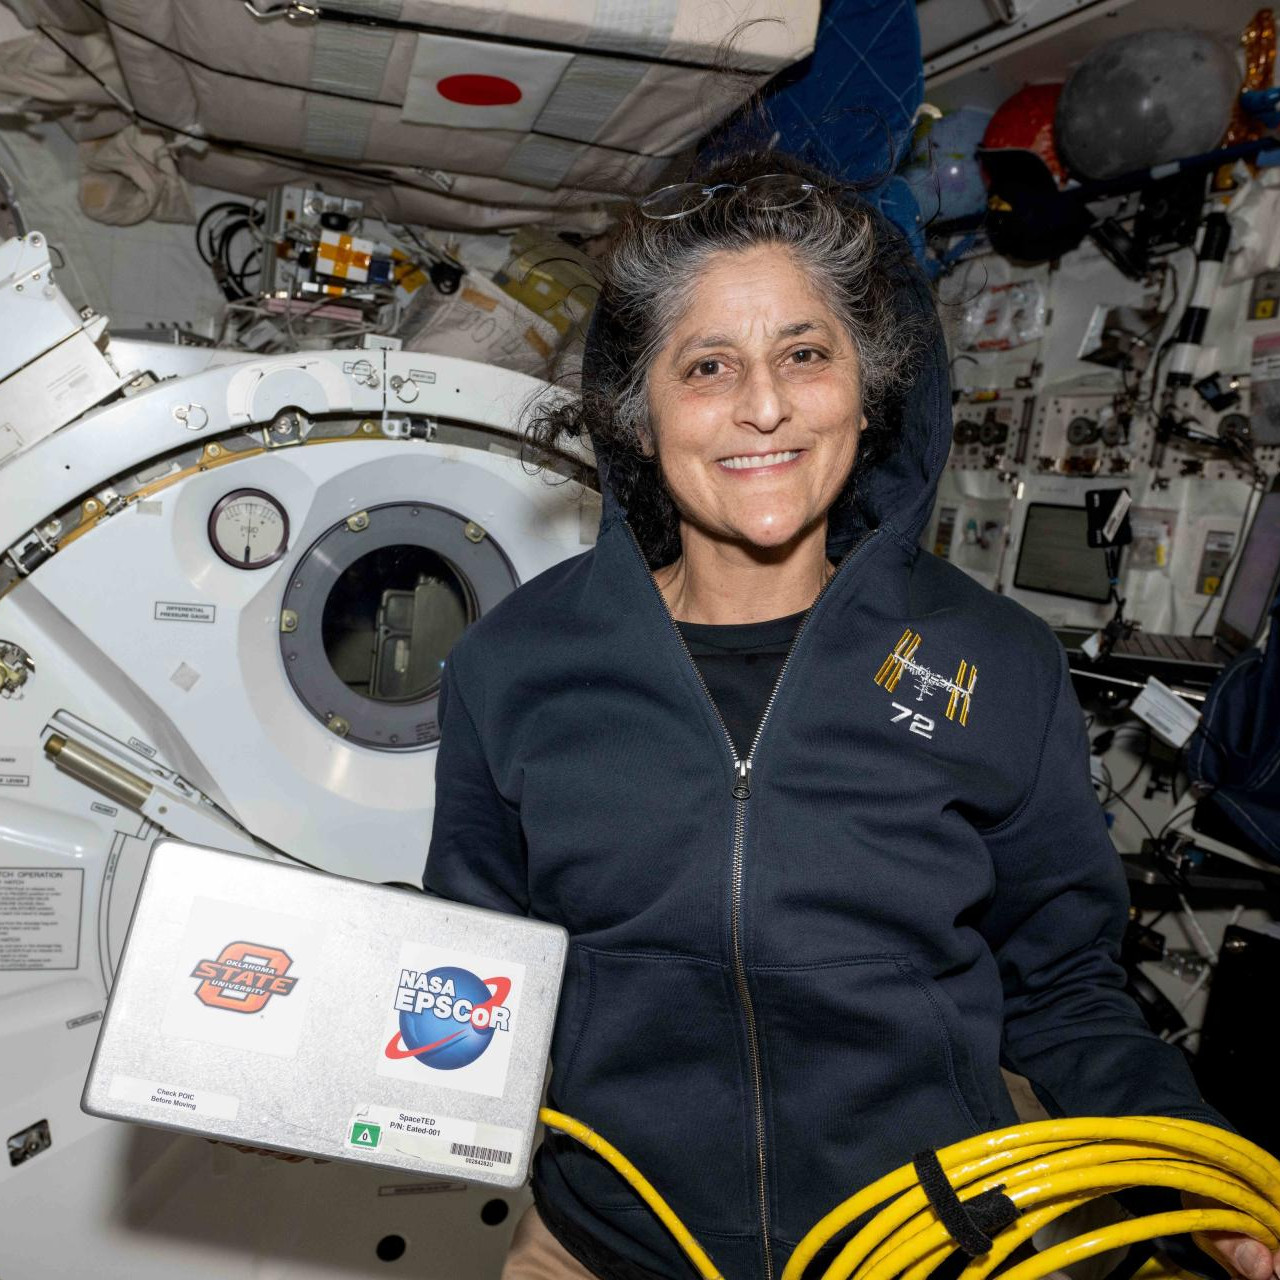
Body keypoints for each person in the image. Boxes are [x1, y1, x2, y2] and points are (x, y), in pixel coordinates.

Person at [423, 154, 1278, 1280]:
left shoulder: (995, 661)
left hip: (918, 1250)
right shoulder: (513, 666)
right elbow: (469, 970)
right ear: (637, 413)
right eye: (708, 364)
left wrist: (1193, 1164)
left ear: (867, 389)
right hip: (602, 1246)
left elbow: (1065, 989)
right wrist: (321, 1064)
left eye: (804, 353)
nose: (763, 404)